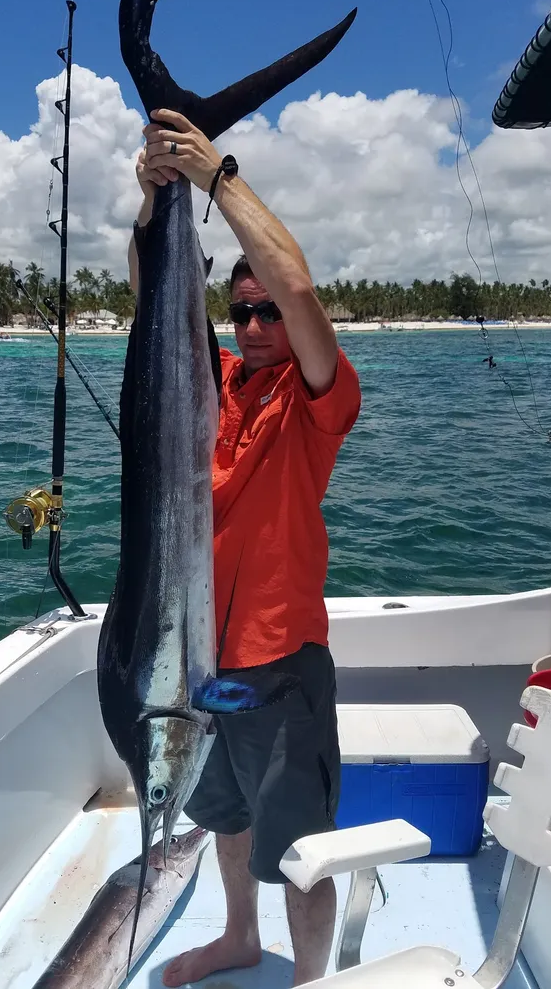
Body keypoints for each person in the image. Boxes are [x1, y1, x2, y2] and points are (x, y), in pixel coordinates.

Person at [127, 108, 362, 988]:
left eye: (266, 310)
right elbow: (157, 296)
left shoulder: (317, 401)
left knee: (298, 843)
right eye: (243, 311)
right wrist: (155, 205)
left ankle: (310, 977)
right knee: (223, 810)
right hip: (201, 669)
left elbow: (298, 289)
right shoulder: (213, 383)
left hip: (283, 666)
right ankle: (238, 935)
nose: (257, 322)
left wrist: (215, 177)